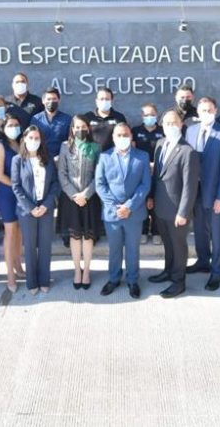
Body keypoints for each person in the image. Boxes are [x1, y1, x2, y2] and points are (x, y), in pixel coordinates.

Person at [185, 97, 220, 290]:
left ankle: (217, 271)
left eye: (209, 110)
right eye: (203, 110)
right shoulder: (190, 131)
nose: (206, 113)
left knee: (217, 233)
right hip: (195, 193)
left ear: (215, 111)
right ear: (197, 112)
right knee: (199, 230)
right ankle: (202, 261)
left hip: (215, 194)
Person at [96, 123, 151, 299]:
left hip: (134, 212)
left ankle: (132, 281)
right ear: (113, 138)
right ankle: (113, 278)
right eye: (118, 135)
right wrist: (115, 207)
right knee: (114, 249)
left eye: (125, 135)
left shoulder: (142, 157)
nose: (122, 138)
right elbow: (100, 184)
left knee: (133, 249)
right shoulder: (104, 157)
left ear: (131, 136)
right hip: (112, 213)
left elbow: (145, 185)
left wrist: (129, 206)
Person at [148, 110, 199, 298]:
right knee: (168, 244)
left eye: (174, 122)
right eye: (166, 123)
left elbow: (190, 186)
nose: (170, 126)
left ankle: (179, 281)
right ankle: (168, 271)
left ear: (181, 124)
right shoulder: (160, 144)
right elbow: (157, 176)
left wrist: (183, 212)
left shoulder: (188, 151)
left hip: (177, 210)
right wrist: (151, 197)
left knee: (179, 246)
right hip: (161, 207)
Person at [11, 126, 60, 296]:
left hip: (45, 208)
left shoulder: (47, 159)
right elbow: (16, 186)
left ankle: (44, 280)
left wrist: (46, 205)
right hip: (27, 210)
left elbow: (54, 184)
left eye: (37, 138)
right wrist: (31, 208)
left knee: (45, 245)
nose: (34, 141)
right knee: (30, 246)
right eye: (30, 137)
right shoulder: (17, 160)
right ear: (24, 139)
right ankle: (32, 282)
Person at [57, 116, 101, 290]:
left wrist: (86, 194)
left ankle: (87, 271)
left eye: (83, 127)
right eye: (77, 127)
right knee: (75, 237)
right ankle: (77, 270)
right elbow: (62, 172)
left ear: (88, 129)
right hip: (71, 199)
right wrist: (75, 195)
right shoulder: (65, 147)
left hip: (89, 199)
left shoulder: (95, 147)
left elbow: (99, 174)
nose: (80, 130)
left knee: (87, 237)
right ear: (72, 129)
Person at [0, 113, 26, 291]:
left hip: (21, 194)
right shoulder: (0, 146)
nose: (14, 128)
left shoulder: (21, 143)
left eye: (16, 125)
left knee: (19, 231)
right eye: (10, 125)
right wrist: (16, 186)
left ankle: (19, 267)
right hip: (7, 193)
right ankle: (10, 276)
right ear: (3, 129)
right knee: (10, 232)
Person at [131, 102, 164, 245]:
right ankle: (144, 230)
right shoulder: (136, 130)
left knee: (157, 200)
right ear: (142, 116)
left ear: (156, 115)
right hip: (141, 171)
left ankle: (156, 231)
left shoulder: (163, 131)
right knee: (142, 200)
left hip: (160, 170)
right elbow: (132, 150)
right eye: (146, 115)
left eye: (152, 114)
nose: (149, 117)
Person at [82, 86, 127, 151]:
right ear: (96, 101)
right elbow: (83, 138)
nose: (104, 101)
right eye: (101, 99)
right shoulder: (88, 117)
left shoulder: (119, 117)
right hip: (93, 157)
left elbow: (124, 137)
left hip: (113, 157)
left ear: (111, 101)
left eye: (107, 99)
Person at [31, 87, 72, 157]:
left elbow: (71, 142)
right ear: (43, 101)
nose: (51, 102)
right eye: (48, 99)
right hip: (40, 159)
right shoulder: (35, 119)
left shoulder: (67, 119)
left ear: (59, 100)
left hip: (60, 160)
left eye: (54, 99)